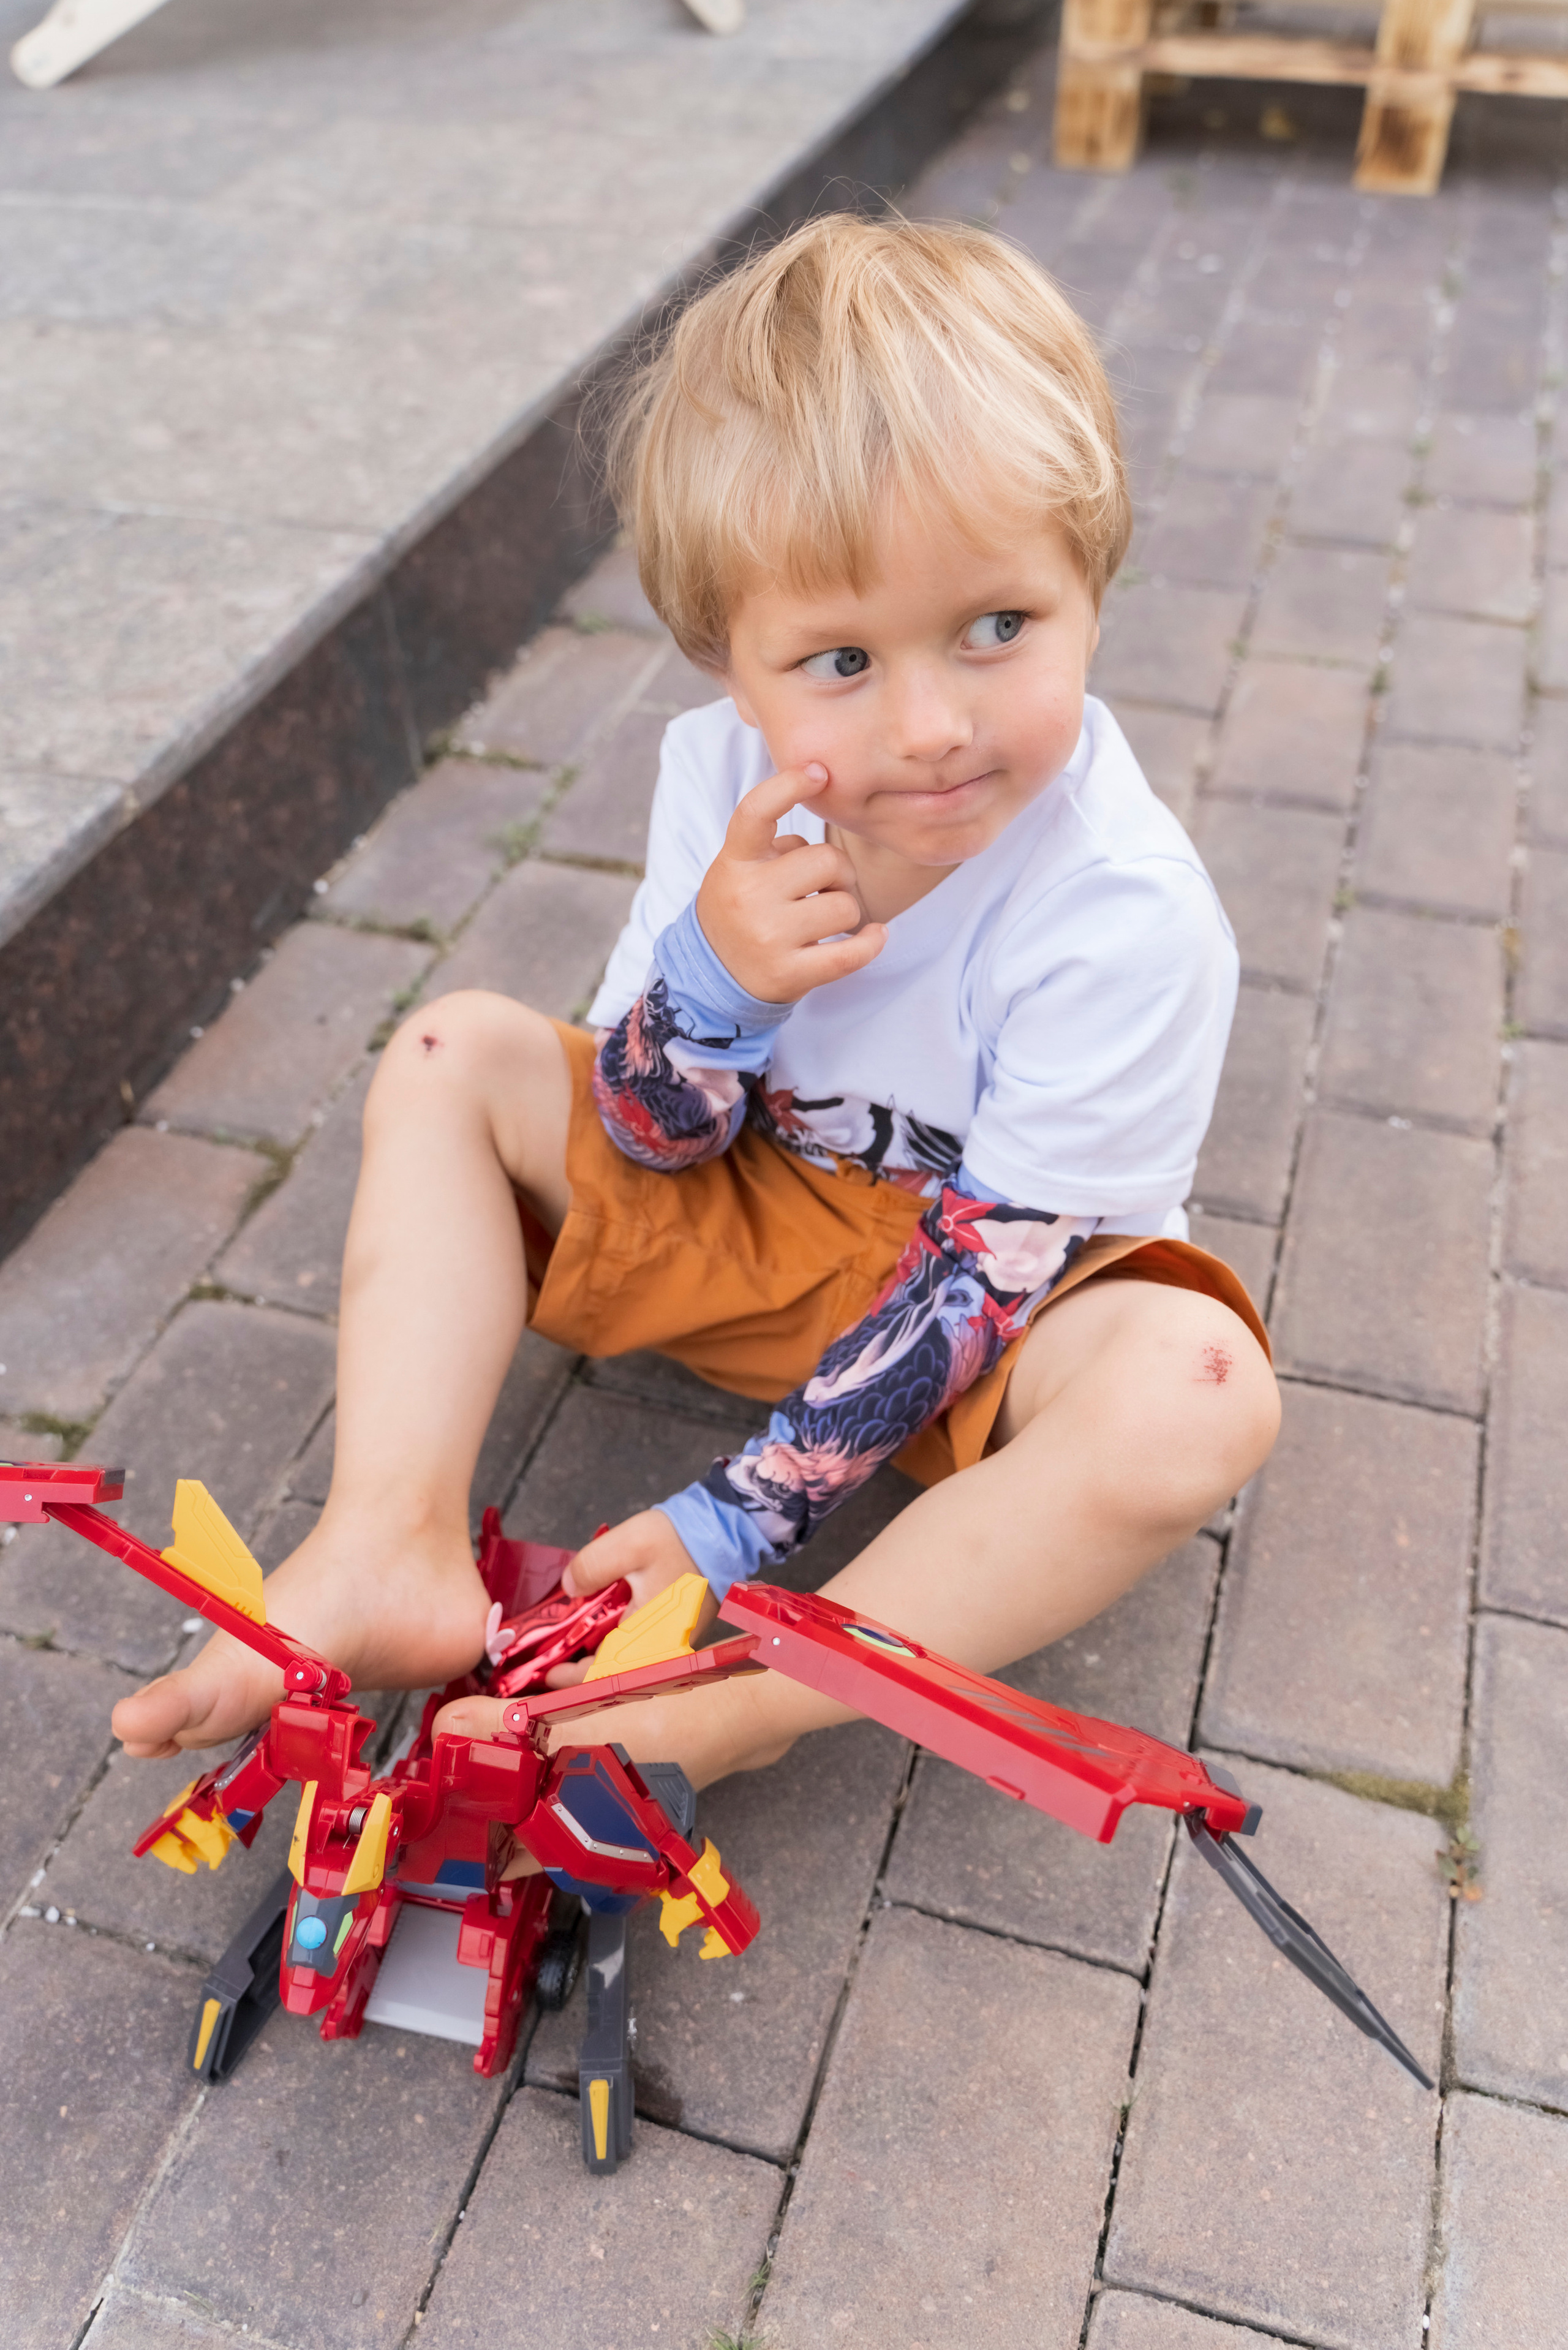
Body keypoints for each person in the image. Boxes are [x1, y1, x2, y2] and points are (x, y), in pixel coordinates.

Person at [111, 213, 1280, 1793]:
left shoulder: (1125, 911)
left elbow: (980, 1283)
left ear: (1094, 582)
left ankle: (730, 1714)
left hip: (1002, 1299)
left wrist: (734, 1527)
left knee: (1195, 1397)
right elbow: (652, 1140)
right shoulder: (719, 780)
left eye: (999, 629)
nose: (934, 724)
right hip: (757, 1209)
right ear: (726, 661)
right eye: (843, 659)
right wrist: (714, 991)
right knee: (455, 1053)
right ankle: (385, 1540)